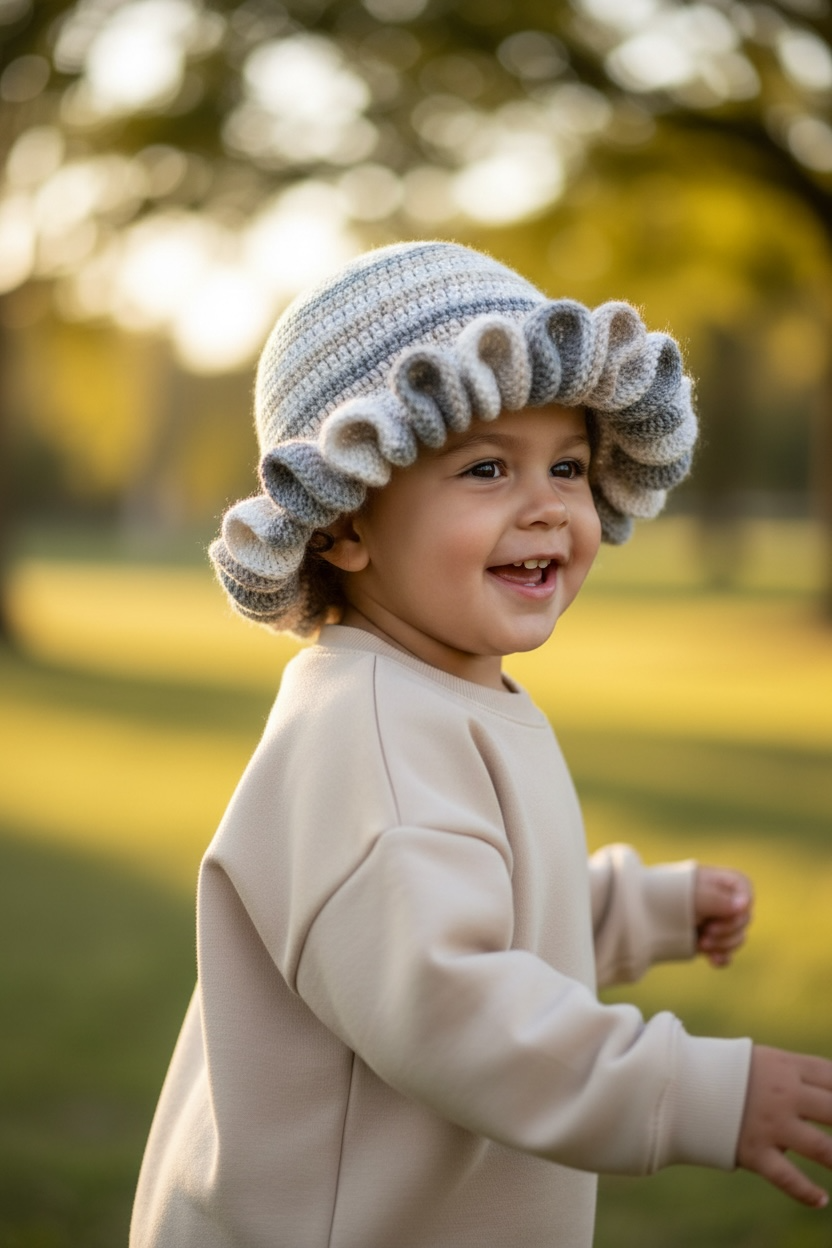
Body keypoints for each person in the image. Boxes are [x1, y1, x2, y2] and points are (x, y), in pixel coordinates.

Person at [130, 241, 832, 1248]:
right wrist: (692, 1091)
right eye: (487, 468)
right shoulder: (367, 735)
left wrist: (632, 908)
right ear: (344, 525)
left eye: (567, 466)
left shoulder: (440, 693)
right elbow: (450, 1003)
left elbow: (473, 901)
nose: (546, 505)